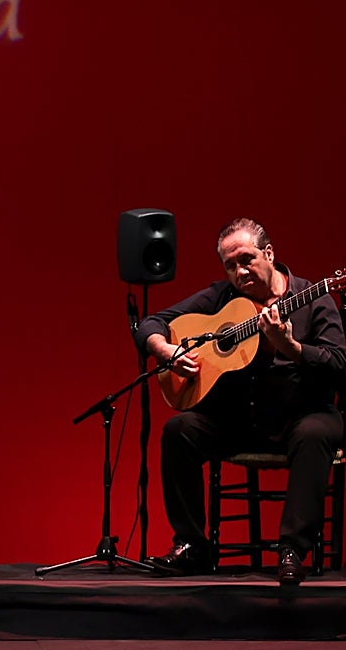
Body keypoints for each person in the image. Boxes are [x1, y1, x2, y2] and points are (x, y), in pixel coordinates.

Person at [136, 218, 346, 584]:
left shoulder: (316, 297)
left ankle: (292, 549)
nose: (239, 271)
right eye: (230, 265)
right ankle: (192, 546)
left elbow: (338, 363)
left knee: (315, 433)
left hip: (298, 415)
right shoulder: (222, 297)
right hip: (238, 420)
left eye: (246, 259)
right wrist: (167, 352)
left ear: (269, 254)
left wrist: (292, 348)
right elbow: (149, 324)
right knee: (179, 429)